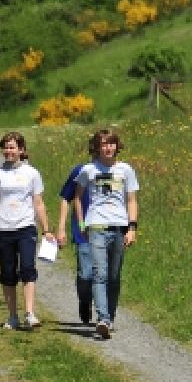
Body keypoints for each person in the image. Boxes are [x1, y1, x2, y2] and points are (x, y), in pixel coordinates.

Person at [73, 128, 139, 340]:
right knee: (99, 273)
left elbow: (132, 200)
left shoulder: (126, 170)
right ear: (97, 148)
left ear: (117, 146)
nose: (108, 148)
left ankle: (110, 316)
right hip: (97, 226)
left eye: (111, 144)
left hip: (119, 226)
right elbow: (77, 197)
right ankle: (103, 318)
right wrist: (82, 222)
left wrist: (132, 227)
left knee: (114, 276)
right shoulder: (89, 170)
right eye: (103, 144)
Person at [0, 131, 55, 330]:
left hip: (26, 227)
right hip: (4, 228)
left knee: (27, 268)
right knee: (7, 273)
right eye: (6, 147)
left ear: (21, 150)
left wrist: (46, 229)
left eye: (12, 147)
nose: (8, 151)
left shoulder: (32, 173)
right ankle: (12, 316)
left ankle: (30, 313)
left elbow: (38, 203)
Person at [56, 136, 96, 324]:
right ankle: (85, 300)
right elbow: (66, 198)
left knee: (104, 274)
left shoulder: (115, 172)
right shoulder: (81, 171)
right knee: (86, 274)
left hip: (108, 230)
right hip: (83, 231)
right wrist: (61, 228)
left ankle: (104, 314)